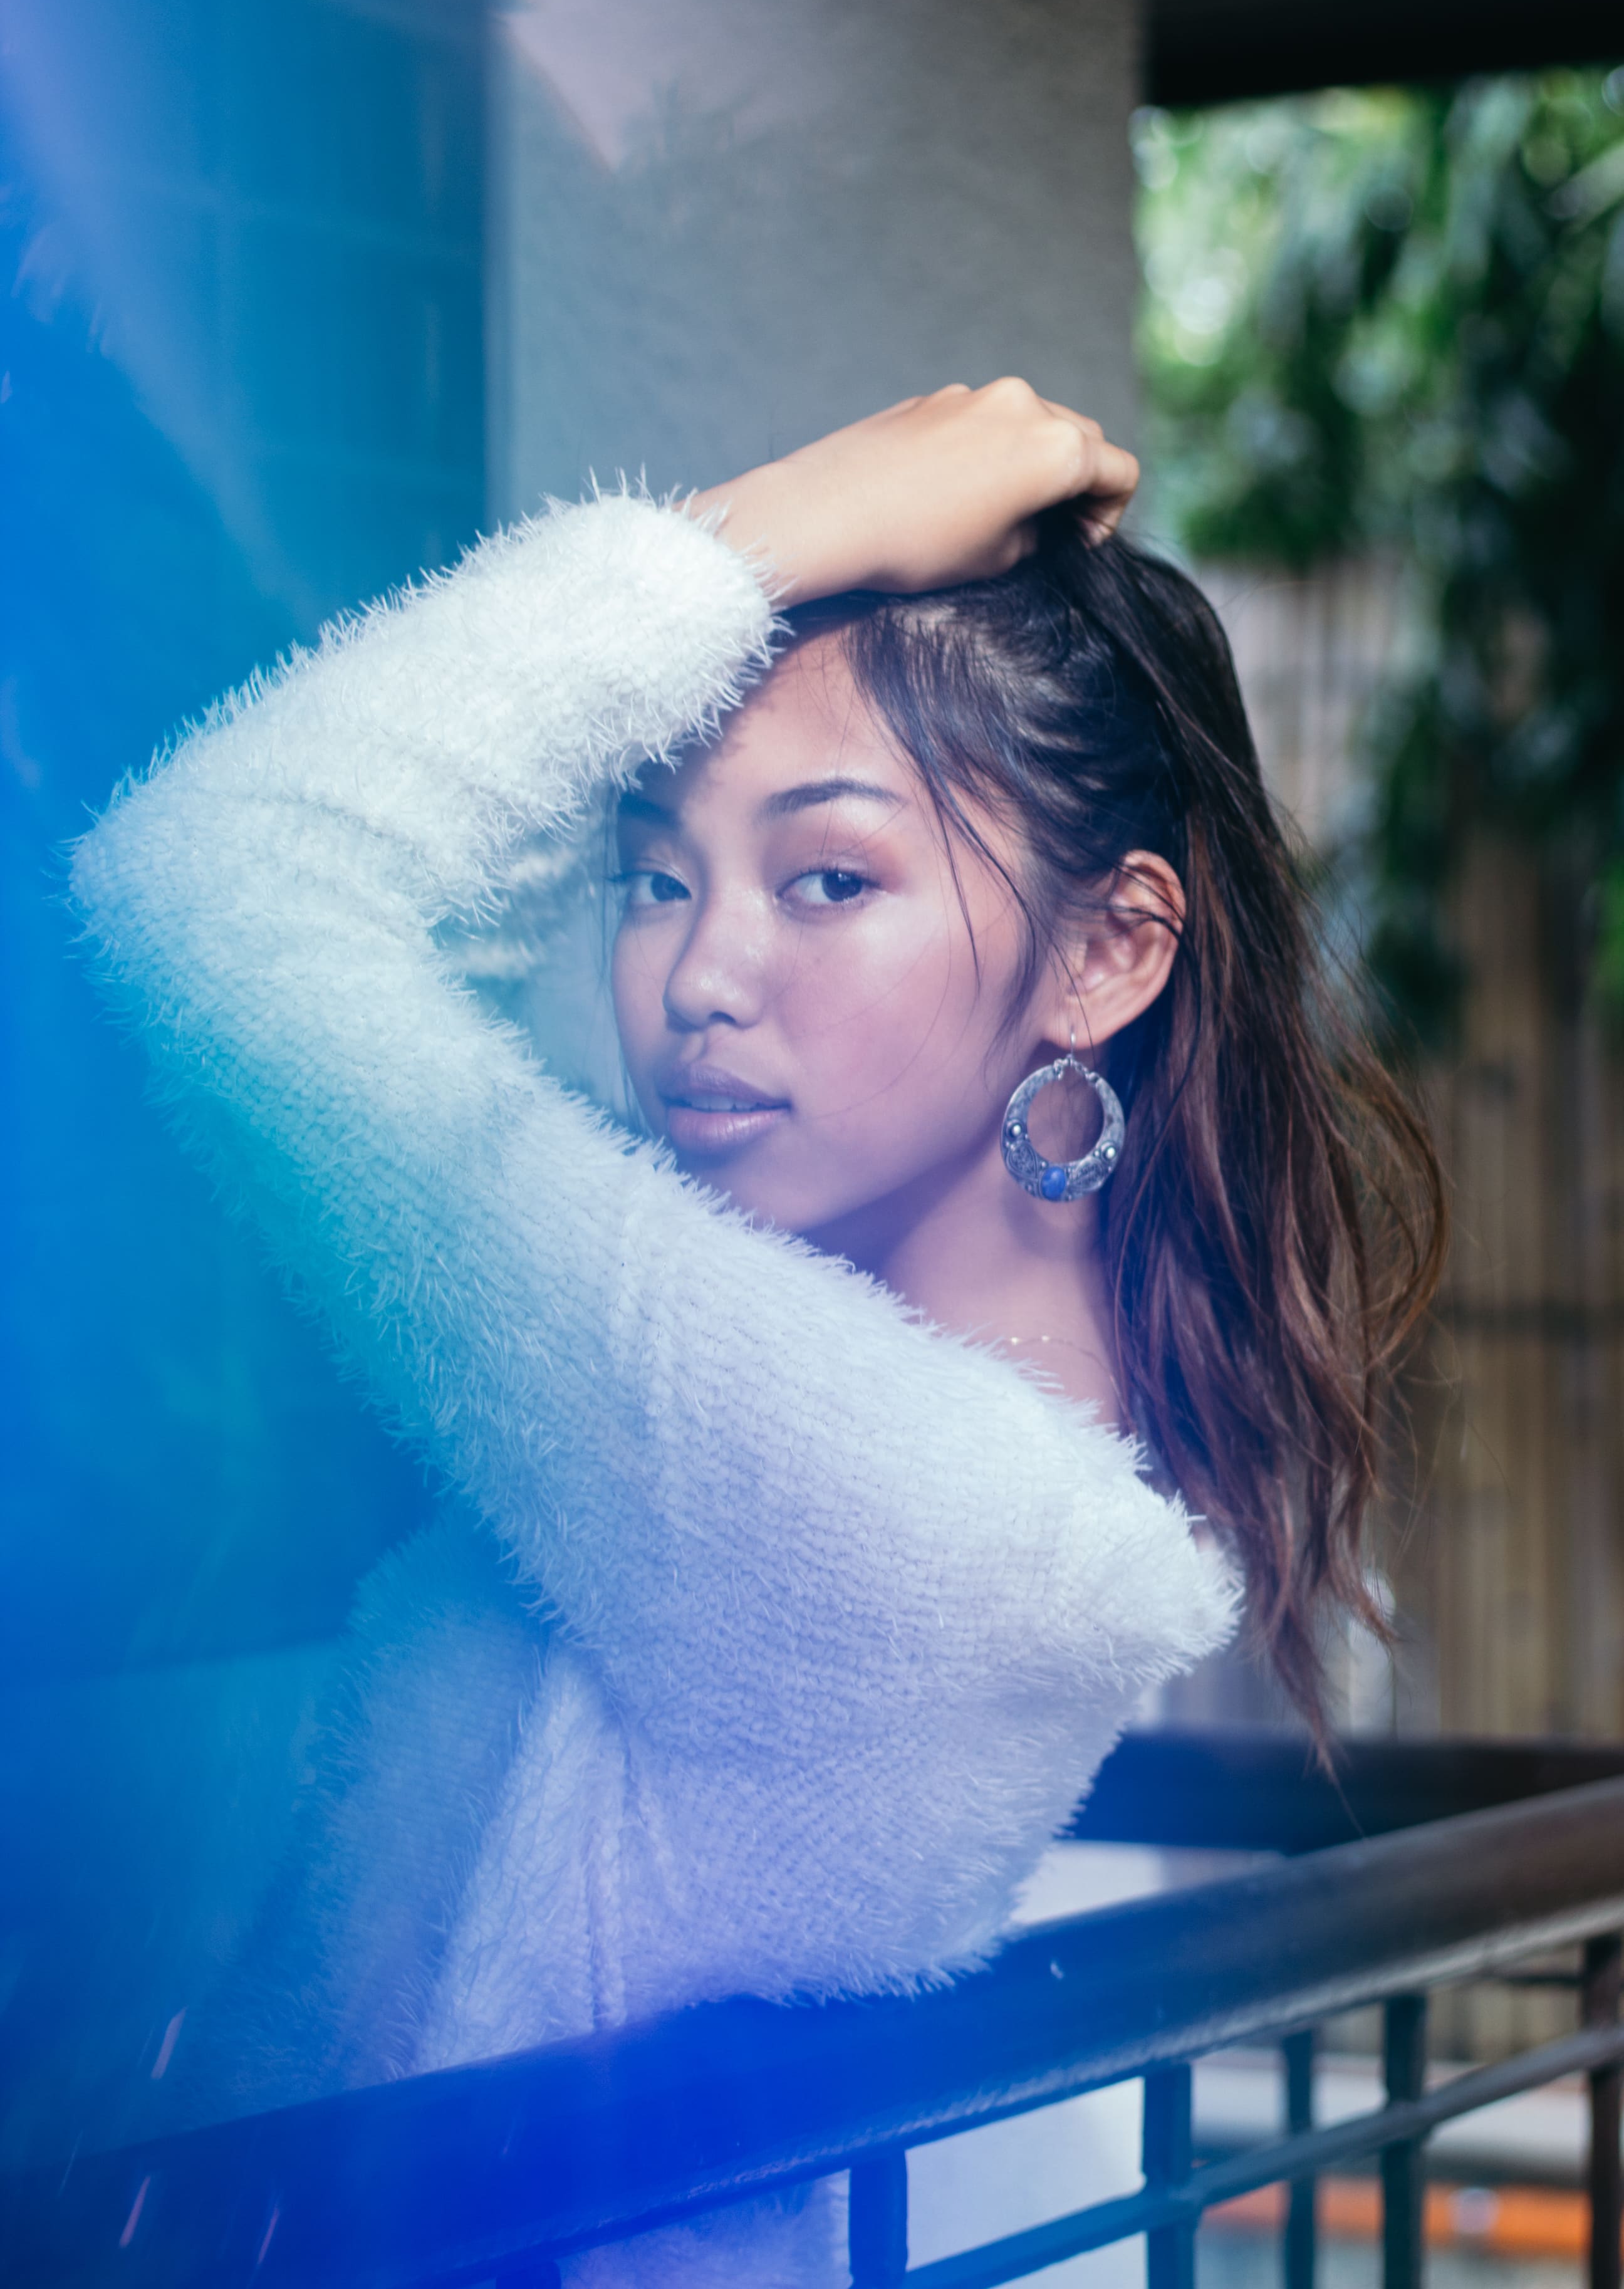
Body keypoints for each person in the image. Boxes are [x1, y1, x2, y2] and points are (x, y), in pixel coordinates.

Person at [71, 382, 1441, 2283]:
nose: (697, 980)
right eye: (656, 874)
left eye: (828, 878)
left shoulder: (874, 1499)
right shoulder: (930, 1408)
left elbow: (213, 890)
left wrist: (760, 529)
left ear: (1111, 950)